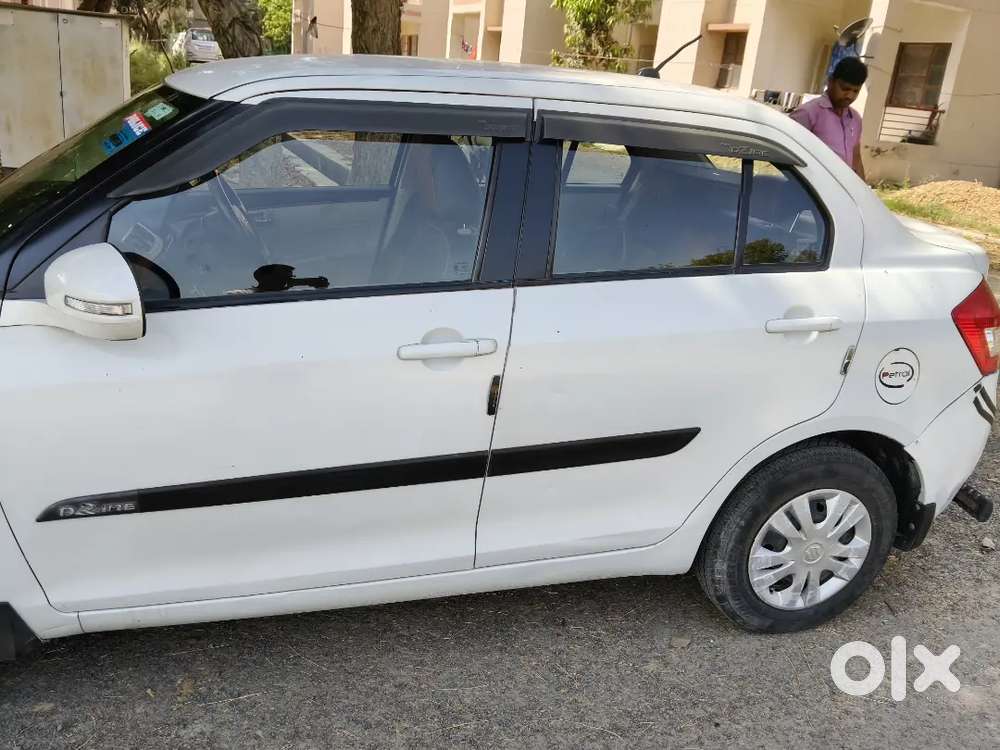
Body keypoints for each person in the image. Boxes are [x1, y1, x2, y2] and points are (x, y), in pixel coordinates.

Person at [790, 57, 868, 180]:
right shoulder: (808, 113)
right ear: (830, 81)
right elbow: (790, 156)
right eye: (845, 89)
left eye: (855, 91)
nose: (849, 96)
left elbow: (856, 158)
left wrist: (863, 194)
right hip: (814, 189)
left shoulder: (855, 119)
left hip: (845, 189)